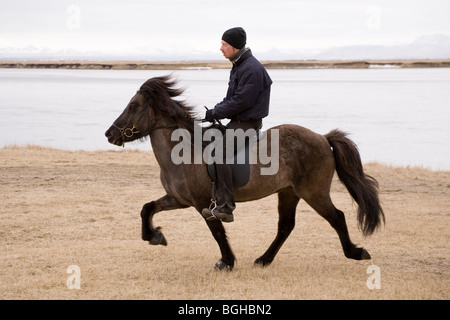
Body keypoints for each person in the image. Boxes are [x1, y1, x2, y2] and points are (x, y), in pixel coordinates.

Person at [201, 27, 273, 223]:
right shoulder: (240, 65)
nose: (221, 48)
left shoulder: (251, 68)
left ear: (234, 47)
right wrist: (214, 112)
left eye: (224, 45)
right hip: (237, 121)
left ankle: (226, 206)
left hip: (247, 124)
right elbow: (231, 99)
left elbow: (242, 101)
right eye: (222, 44)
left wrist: (216, 112)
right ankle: (213, 199)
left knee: (219, 154)